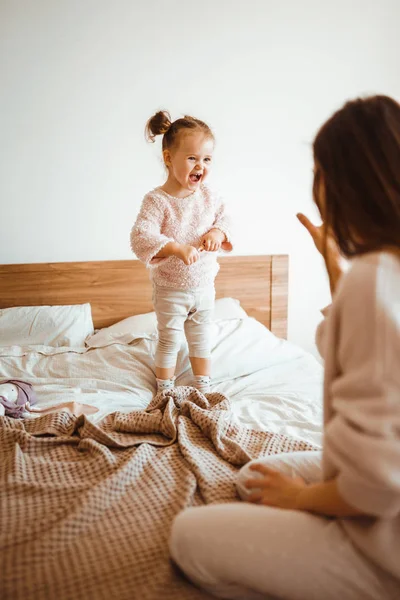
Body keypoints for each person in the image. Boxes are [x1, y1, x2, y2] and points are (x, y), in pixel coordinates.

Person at [169, 95, 400, 600]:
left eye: (320, 172)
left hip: (384, 538)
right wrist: (335, 267)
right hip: (379, 482)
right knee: (255, 477)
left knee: (188, 537)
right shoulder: (377, 277)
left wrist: (301, 500)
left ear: (342, 183)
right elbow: (370, 348)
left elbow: (381, 487)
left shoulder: (374, 282)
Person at [131, 111, 233, 394]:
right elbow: (141, 236)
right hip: (170, 289)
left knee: (201, 338)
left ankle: (203, 386)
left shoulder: (210, 197)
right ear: (168, 158)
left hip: (204, 287)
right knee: (169, 339)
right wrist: (175, 247)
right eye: (192, 158)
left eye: (207, 159)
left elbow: (226, 220)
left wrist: (217, 233)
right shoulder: (157, 201)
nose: (200, 165)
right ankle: (165, 389)